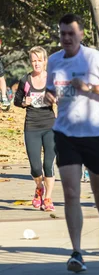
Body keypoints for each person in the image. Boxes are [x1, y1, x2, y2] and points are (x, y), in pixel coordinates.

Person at [44, 14, 99, 272]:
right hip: (65, 134)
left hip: (94, 134)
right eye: (63, 33)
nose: (66, 38)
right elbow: (50, 89)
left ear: (81, 34)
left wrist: (90, 88)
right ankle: (76, 251)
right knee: (70, 192)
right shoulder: (54, 61)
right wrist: (48, 96)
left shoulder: (94, 59)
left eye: (71, 33)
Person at [13, 46, 57, 212]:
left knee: (48, 165)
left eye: (39, 60)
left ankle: (48, 198)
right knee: (36, 167)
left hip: (50, 125)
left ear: (45, 61)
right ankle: (39, 188)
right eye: (33, 60)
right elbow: (17, 101)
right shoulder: (25, 80)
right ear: (30, 62)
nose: (36, 63)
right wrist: (25, 102)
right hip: (31, 126)